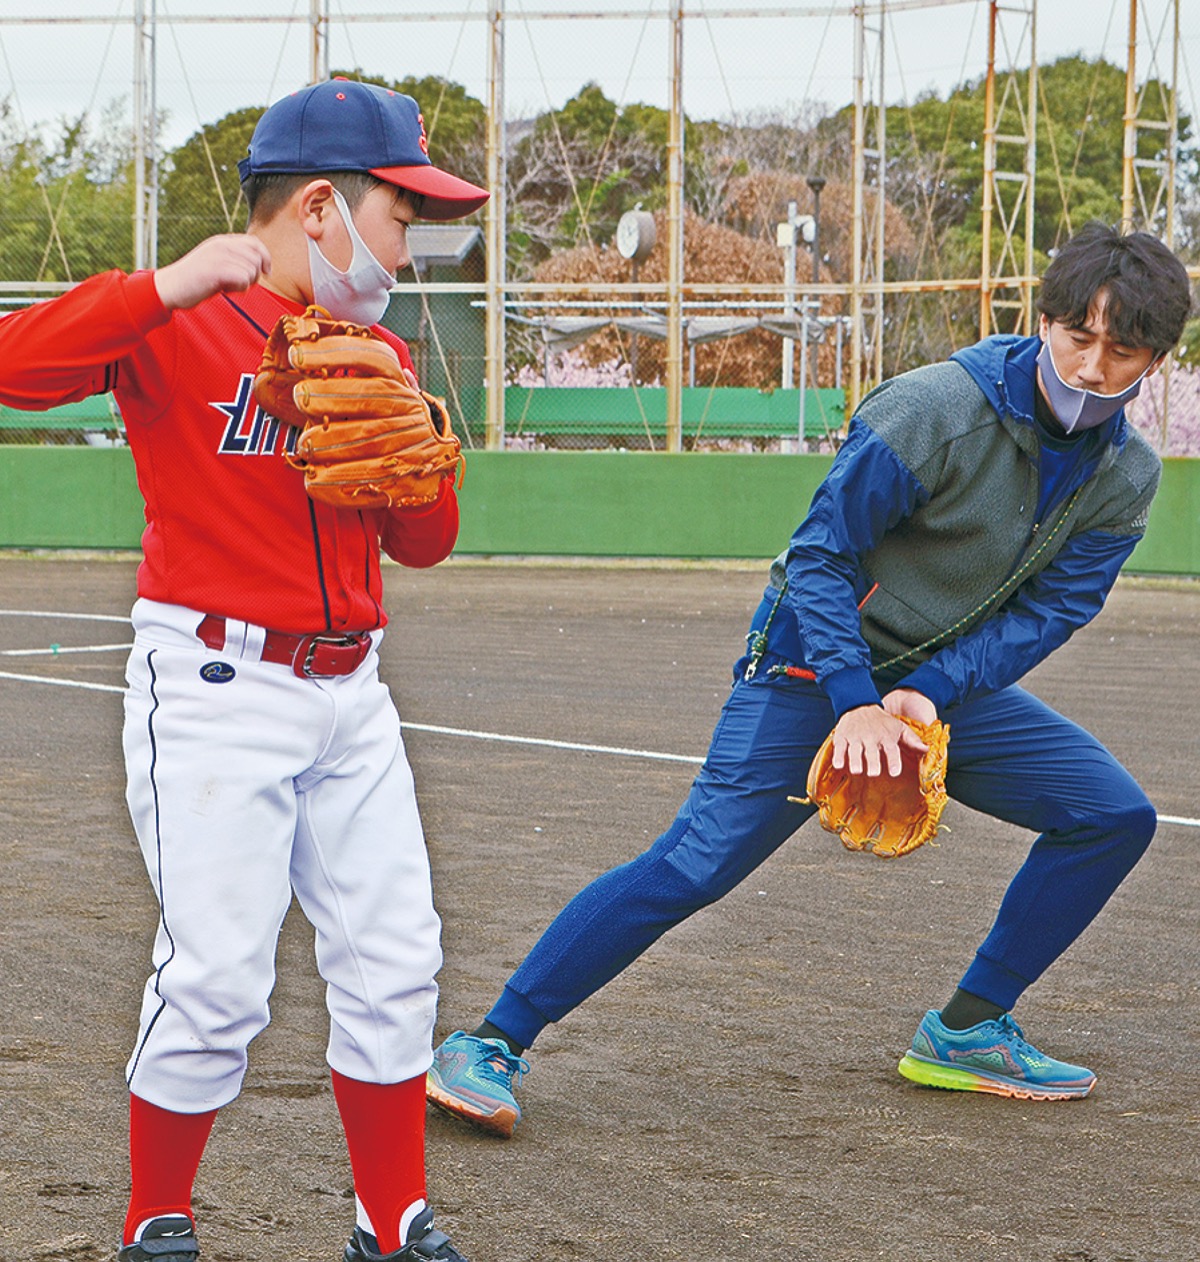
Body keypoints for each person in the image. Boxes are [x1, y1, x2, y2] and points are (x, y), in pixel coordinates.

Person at [426, 221, 1193, 1137]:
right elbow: (820, 559)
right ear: (1044, 318)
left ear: (1156, 358)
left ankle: (967, 1029)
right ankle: (489, 1041)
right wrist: (855, 699)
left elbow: (1056, 607)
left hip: (931, 683)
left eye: (1124, 349)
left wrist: (927, 693)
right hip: (806, 663)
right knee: (695, 863)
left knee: (1110, 815)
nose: (1094, 366)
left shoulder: (1126, 474)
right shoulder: (932, 409)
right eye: (1079, 334)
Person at [0, 80, 489, 1262]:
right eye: (398, 215)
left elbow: (423, 544)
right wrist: (164, 286)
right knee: (219, 969)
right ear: (320, 206)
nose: (407, 244)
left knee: (396, 954)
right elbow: (15, 365)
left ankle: (393, 1219)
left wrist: (420, 451)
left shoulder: (373, 347)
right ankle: (154, 1218)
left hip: (352, 694)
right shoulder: (176, 320)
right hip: (218, 686)